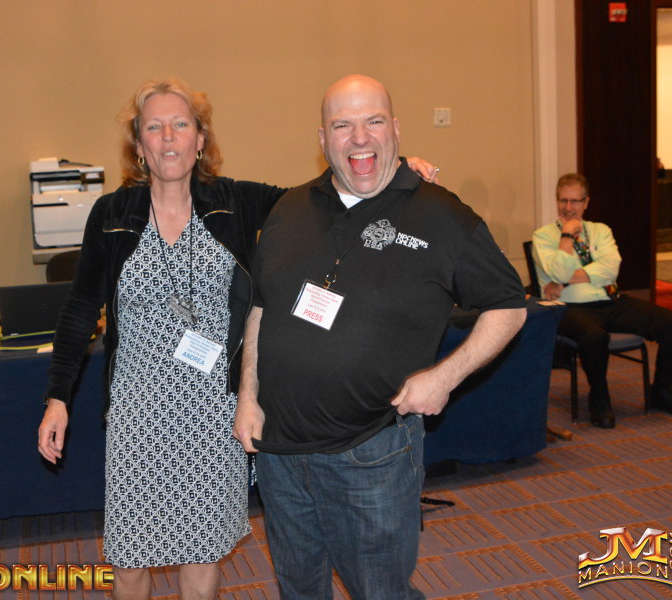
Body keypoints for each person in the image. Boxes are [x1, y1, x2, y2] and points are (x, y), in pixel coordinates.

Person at [36, 77, 439, 600]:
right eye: (154, 127)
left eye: (181, 124)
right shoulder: (111, 215)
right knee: (130, 557)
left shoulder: (235, 202)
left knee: (203, 552)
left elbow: (321, 200)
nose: (168, 137)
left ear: (201, 138)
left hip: (215, 413)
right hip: (137, 414)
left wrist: (392, 172)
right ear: (138, 145)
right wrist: (58, 398)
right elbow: (78, 310)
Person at [232, 74, 527, 599]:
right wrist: (248, 397)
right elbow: (262, 305)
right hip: (278, 452)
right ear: (322, 139)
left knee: (379, 591)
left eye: (373, 121)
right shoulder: (290, 208)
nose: (359, 138)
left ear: (395, 129)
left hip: (371, 451)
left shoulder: (441, 214)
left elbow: (508, 305)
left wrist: (444, 377)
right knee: (299, 589)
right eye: (342, 125)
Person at [532, 172, 672, 428]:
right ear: (557, 201)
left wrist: (565, 281)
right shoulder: (543, 236)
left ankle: (662, 391)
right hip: (569, 308)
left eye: (575, 201)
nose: (568, 207)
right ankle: (599, 398)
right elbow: (560, 272)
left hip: (610, 301)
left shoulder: (601, 231)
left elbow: (610, 270)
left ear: (586, 202)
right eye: (563, 200)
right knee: (594, 337)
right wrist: (567, 237)